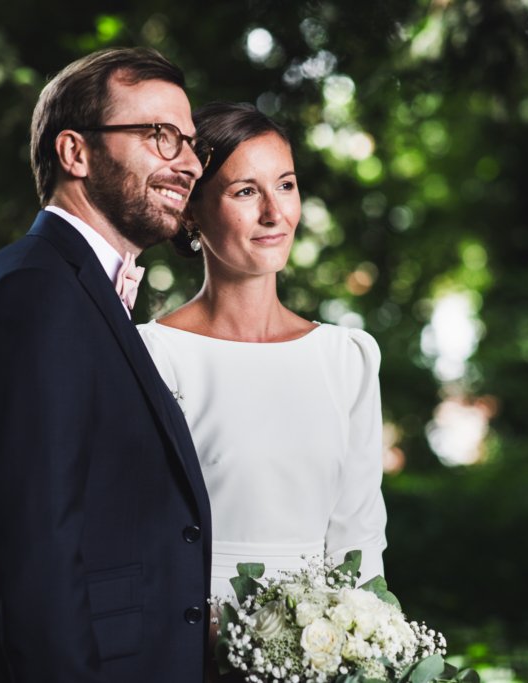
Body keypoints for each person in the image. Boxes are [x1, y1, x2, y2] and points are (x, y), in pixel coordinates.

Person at [0, 47, 214, 683]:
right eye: (161, 136)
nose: (187, 163)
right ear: (74, 153)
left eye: (190, 143)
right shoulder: (34, 295)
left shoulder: (72, 290)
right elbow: (35, 561)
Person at [137, 102, 387, 603]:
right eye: (246, 191)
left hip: (325, 653)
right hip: (184, 639)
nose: (275, 213)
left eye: (286, 185)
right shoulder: (149, 356)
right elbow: (132, 532)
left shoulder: (347, 358)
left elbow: (359, 544)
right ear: (190, 211)